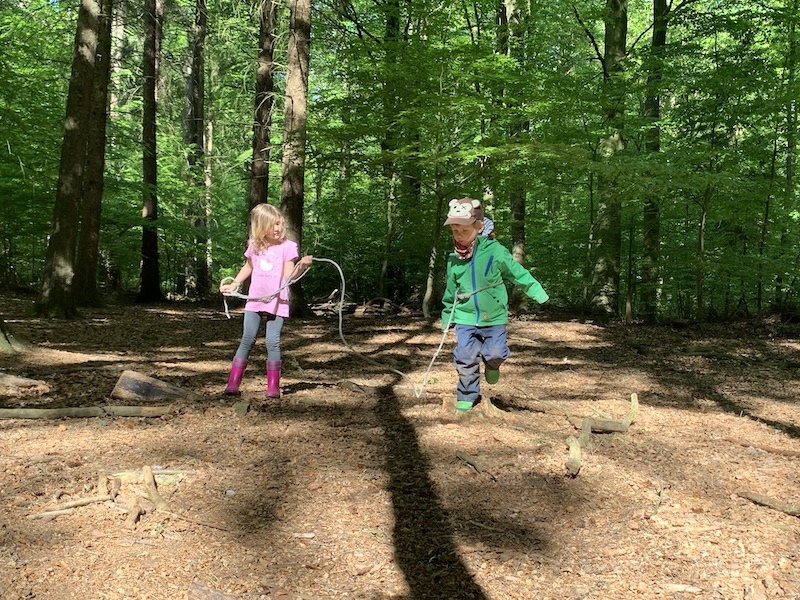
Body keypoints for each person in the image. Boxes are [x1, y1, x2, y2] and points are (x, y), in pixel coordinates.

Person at [441, 198, 549, 412]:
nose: (459, 236)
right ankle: (467, 394)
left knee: (496, 352)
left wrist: (537, 292)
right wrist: (447, 317)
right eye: (455, 231)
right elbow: (451, 292)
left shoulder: (495, 251)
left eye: (464, 231)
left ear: (479, 227)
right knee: (464, 356)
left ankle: (492, 365)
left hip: (494, 316)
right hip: (465, 316)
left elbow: (517, 273)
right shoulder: (454, 260)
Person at [219, 203, 313, 398]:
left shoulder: (288, 247)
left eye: (279, 223)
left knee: (273, 342)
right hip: (255, 300)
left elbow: (289, 276)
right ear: (261, 227)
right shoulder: (255, 245)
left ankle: (273, 387)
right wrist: (234, 283)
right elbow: (248, 267)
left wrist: (302, 266)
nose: (277, 228)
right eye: (272, 225)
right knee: (247, 339)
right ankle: (233, 384)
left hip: (278, 301)